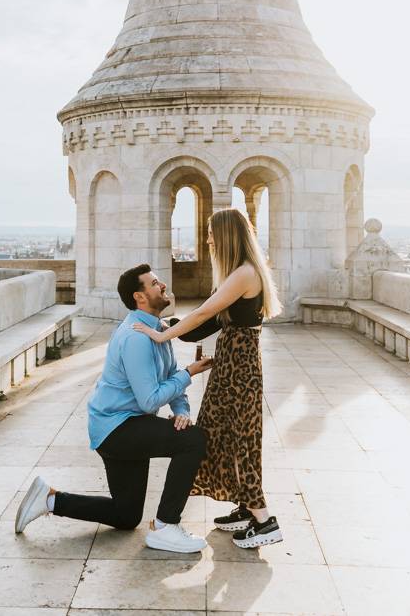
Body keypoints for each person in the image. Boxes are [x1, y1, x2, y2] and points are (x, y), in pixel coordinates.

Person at [15, 263, 215, 553]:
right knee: (194, 440)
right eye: (154, 283)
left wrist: (182, 411)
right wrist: (190, 372)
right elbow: (150, 399)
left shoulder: (157, 329)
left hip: (125, 426)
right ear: (140, 297)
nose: (162, 286)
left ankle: (49, 500)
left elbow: (170, 377)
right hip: (118, 429)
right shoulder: (136, 338)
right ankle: (165, 526)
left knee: (126, 514)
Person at [132, 207, 283, 548]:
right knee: (220, 432)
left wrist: (160, 337)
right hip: (232, 363)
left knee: (241, 436)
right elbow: (208, 324)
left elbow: (203, 313)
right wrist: (165, 325)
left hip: (239, 367)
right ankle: (245, 506)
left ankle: (264, 520)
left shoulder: (244, 274)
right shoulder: (237, 274)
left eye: (213, 233)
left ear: (228, 235)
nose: (208, 239)